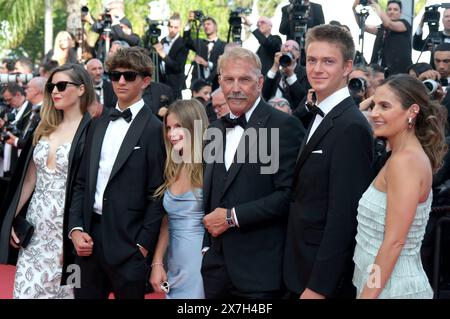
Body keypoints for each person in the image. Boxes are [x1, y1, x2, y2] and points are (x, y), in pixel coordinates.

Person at [201, 47, 304, 299]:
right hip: (216, 271)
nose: (236, 87)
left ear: (259, 82)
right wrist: (206, 249)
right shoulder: (214, 130)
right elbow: (214, 192)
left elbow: (287, 196)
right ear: (220, 82)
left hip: (260, 272)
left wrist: (232, 217)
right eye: (229, 79)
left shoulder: (283, 126)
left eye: (244, 79)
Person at [66, 47, 165, 299]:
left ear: (145, 81)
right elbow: (80, 183)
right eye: (115, 75)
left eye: (129, 76)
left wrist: (143, 246)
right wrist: (76, 229)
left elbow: (157, 193)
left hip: (129, 243)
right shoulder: (98, 123)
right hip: (87, 241)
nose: (120, 81)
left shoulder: (155, 129)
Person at [284, 24, 373, 299]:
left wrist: (319, 287)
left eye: (328, 61)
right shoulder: (317, 113)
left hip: (320, 280)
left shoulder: (351, 126)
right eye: (311, 60)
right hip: (297, 264)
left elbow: (344, 217)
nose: (317, 69)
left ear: (347, 67)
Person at [0, 63, 94, 298]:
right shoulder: (44, 126)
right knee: (25, 291)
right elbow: (30, 180)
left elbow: (90, 187)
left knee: (68, 292)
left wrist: (76, 233)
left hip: (67, 229)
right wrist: (13, 218)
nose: (54, 91)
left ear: (81, 89)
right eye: (52, 86)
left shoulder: (92, 131)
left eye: (62, 85)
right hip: (35, 227)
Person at [352, 74, 447, 299]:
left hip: (392, 289)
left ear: (412, 112)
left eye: (385, 106)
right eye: (374, 104)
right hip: (383, 284)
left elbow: (394, 242)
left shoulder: (406, 162)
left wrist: (368, 294)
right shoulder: (399, 155)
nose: (374, 113)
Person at [150, 99, 209, 299]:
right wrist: (157, 262)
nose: (171, 134)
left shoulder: (210, 166)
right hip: (174, 264)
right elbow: (167, 221)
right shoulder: (173, 166)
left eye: (178, 126)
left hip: (201, 265)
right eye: (168, 128)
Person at [352, 0, 412, 75]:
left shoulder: (404, 23)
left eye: (395, 9)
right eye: (389, 9)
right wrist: (354, 9)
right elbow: (363, 26)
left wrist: (376, 5)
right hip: (380, 71)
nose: (392, 12)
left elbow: (389, 24)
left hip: (399, 72)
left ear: (400, 12)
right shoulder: (382, 27)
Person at [263, 40, 310, 111]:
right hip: (271, 111)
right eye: (285, 46)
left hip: (291, 114)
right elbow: (264, 93)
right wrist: (275, 67)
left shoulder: (304, 72)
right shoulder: (276, 72)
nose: (289, 49)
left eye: (294, 48)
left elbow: (302, 99)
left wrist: (291, 76)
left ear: (298, 55)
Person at [183, 14, 226, 91]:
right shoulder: (199, 42)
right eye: (204, 25)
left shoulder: (223, 45)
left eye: (208, 24)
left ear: (215, 27)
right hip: (198, 84)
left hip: (216, 84)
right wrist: (189, 23)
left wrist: (206, 64)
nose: (206, 26)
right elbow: (186, 41)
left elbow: (223, 65)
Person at [153, 13, 189, 100]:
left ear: (180, 28)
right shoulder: (162, 40)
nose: (172, 30)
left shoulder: (184, 43)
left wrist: (162, 54)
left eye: (175, 27)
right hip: (160, 83)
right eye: (171, 26)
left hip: (175, 86)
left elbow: (178, 67)